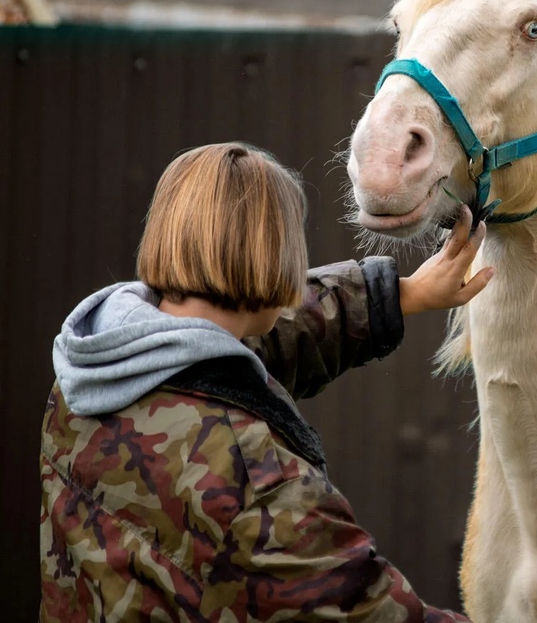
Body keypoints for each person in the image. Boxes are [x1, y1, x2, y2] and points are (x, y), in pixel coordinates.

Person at [40, 142, 492, 622]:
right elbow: (372, 614)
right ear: (276, 255)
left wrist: (400, 296)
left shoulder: (88, 377)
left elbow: (246, 348)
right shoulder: (253, 482)